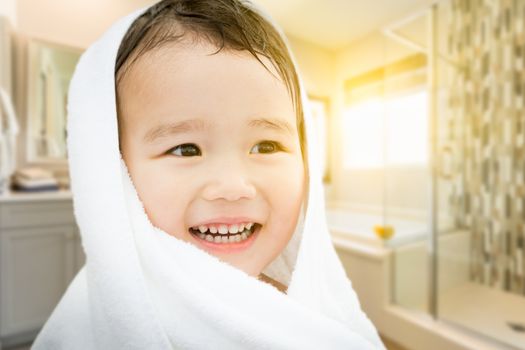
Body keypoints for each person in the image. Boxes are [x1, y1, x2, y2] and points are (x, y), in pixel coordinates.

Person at [32, 1, 387, 349]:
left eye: (265, 146)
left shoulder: (312, 313)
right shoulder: (89, 326)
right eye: (186, 149)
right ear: (116, 172)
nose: (233, 187)